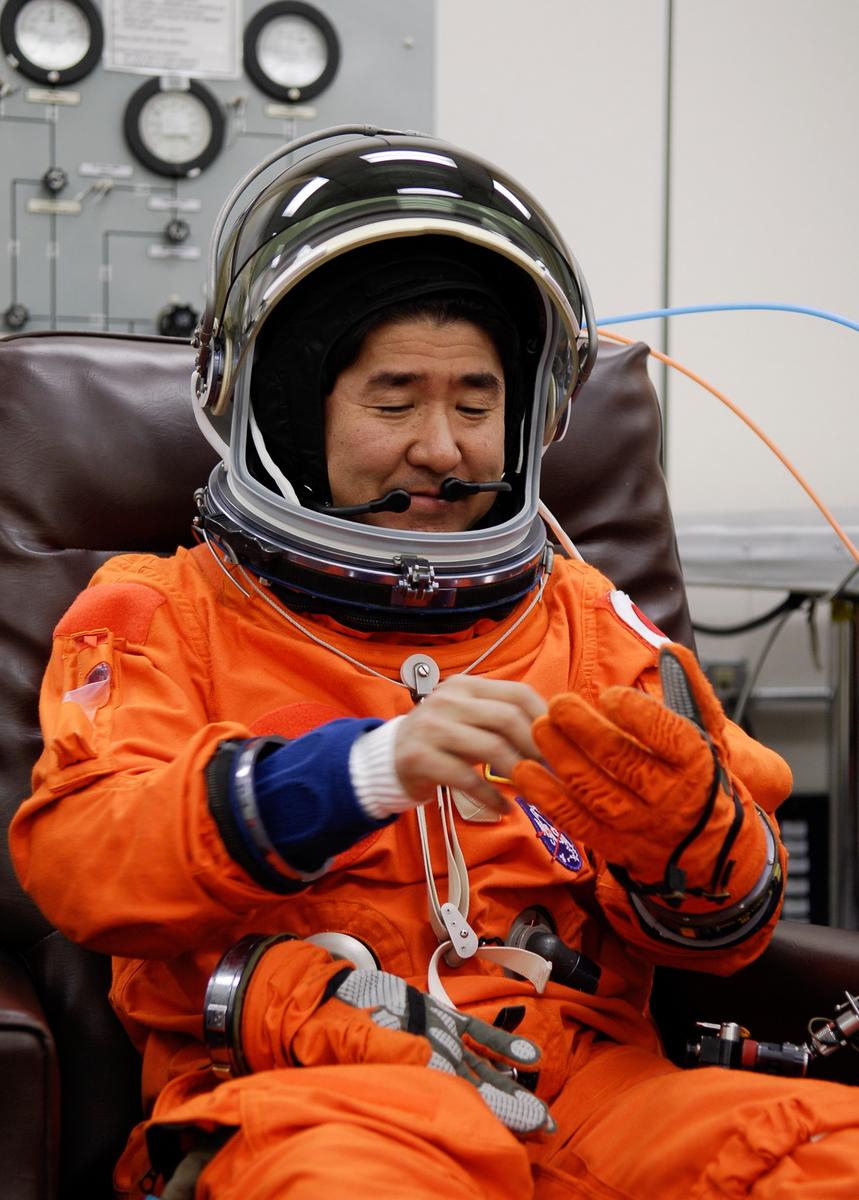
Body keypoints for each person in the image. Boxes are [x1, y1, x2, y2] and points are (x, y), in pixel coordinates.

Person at [9, 128, 859, 1200]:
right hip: (312, 1091)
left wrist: (688, 839)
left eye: (474, 402)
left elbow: (731, 927)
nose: (444, 447)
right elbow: (85, 858)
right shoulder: (159, 609)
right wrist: (360, 772)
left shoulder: (588, 617)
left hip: (591, 1087)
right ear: (286, 409)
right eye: (394, 399)